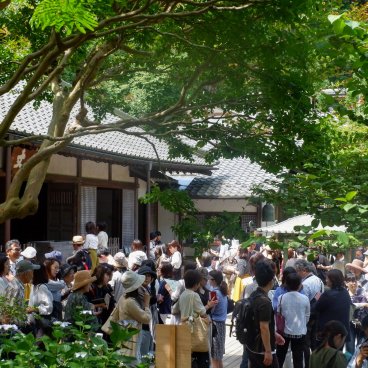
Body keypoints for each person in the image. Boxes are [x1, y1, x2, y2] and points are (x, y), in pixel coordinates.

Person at [172, 269, 217, 368]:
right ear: (196, 283)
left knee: (186, 360)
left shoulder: (183, 294)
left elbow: (174, 310)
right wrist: (209, 305)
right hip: (195, 331)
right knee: (200, 359)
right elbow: (202, 312)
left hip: (184, 329)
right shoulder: (194, 295)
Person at [103, 270, 152, 360]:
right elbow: (146, 319)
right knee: (132, 360)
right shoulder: (130, 302)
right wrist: (146, 304)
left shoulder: (124, 297)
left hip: (124, 333)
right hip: (131, 336)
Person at [245, 260, 281, 368]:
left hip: (252, 346)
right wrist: (268, 351)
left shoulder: (254, 295)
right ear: (272, 280)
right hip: (262, 349)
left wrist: (274, 334)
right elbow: (264, 327)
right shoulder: (265, 302)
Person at [276, 273, 310, 368]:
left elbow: (279, 313)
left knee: (280, 356)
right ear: (299, 284)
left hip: (284, 332)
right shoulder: (305, 299)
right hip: (300, 332)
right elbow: (307, 315)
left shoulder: (281, 298)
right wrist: (302, 324)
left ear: (286, 284)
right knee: (298, 359)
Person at [315, 269, 351, 346]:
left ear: (332, 280)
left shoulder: (328, 295)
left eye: (327, 278)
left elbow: (316, 308)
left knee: (326, 356)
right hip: (342, 332)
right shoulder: (345, 292)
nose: (326, 280)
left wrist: (318, 297)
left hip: (329, 333)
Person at [137, 265, 157, 361]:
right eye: (144, 275)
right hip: (140, 325)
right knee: (142, 356)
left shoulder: (146, 289)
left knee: (146, 355)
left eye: (149, 276)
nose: (146, 278)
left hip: (146, 325)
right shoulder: (138, 289)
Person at [208, 270, 228, 368]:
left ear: (213, 280)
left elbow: (211, 310)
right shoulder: (223, 291)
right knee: (218, 357)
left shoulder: (214, 293)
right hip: (222, 325)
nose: (208, 281)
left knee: (214, 358)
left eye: (209, 279)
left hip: (215, 325)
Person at [28, 264, 54, 337]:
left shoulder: (41, 287)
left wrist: (34, 309)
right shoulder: (33, 286)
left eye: (31, 271)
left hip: (42, 325)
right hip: (36, 324)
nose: (29, 273)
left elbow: (49, 307)